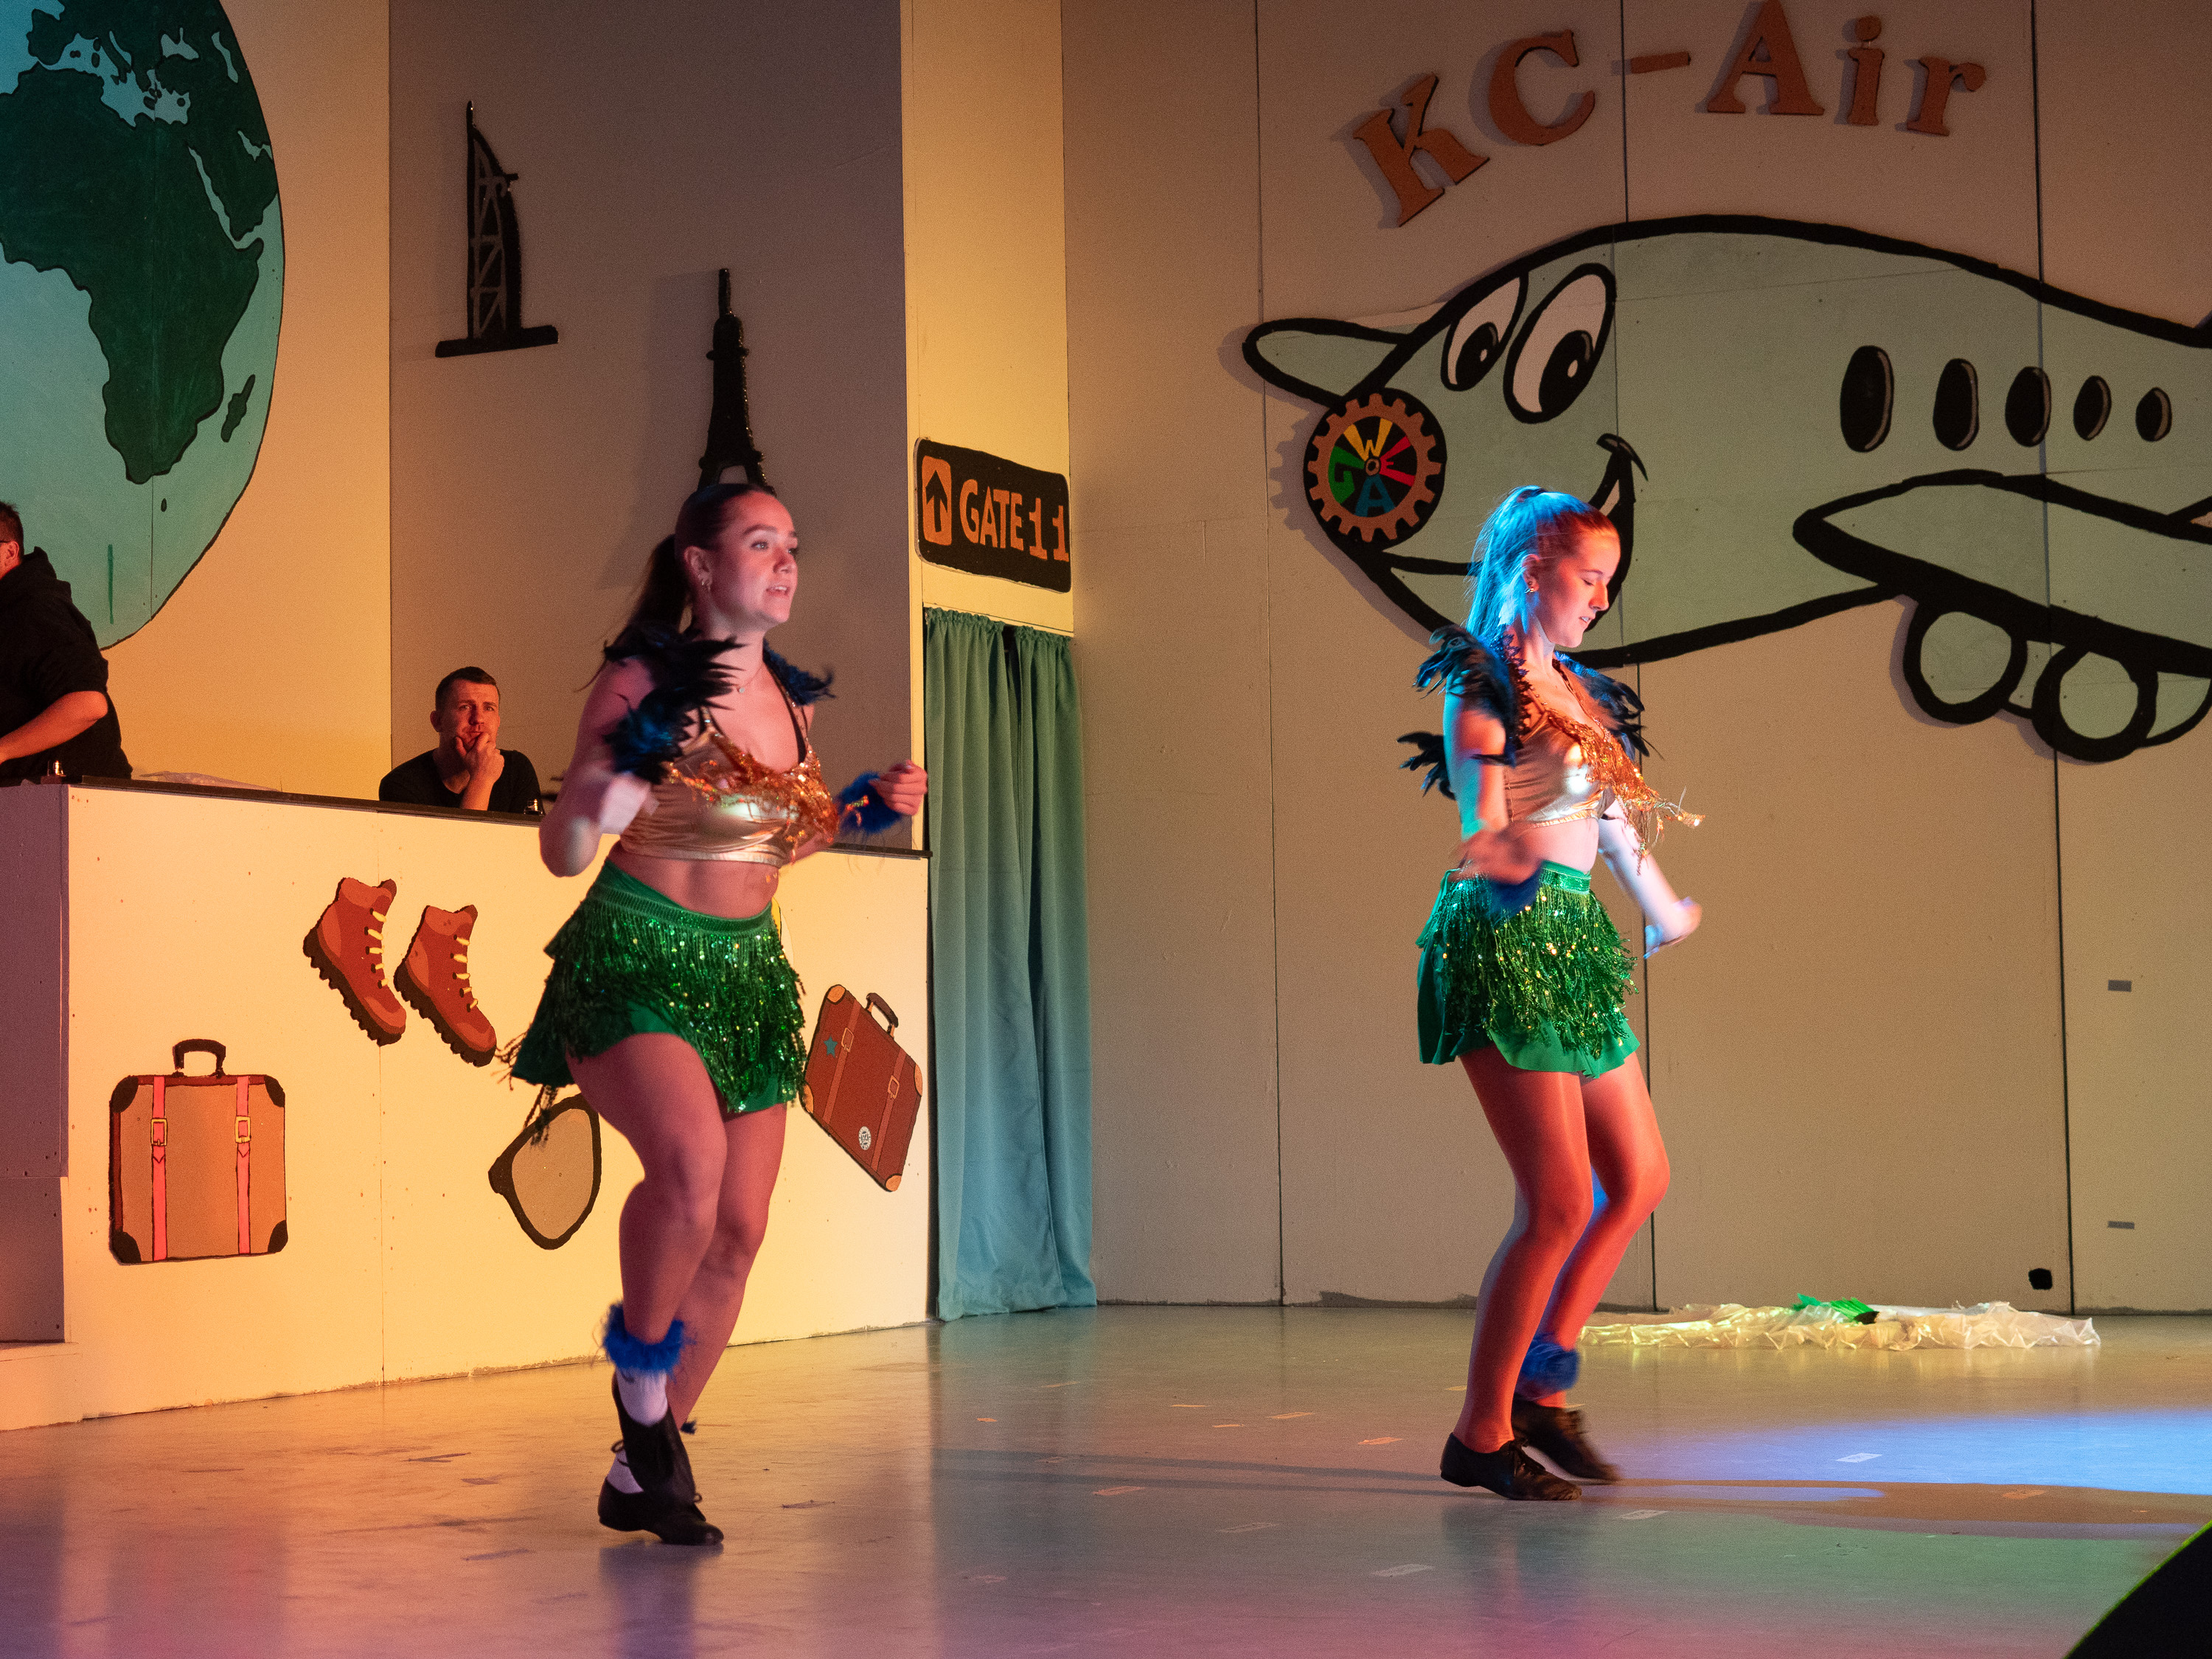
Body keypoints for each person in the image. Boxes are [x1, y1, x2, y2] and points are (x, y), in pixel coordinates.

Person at [511, 482, 925, 1545]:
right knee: (689, 1172)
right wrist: (604, 788)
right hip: (636, 956)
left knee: (738, 1230)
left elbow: (769, 842)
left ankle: (638, 1474)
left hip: (747, 976)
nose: (786, 562)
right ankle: (641, 1390)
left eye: (793, 546)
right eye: (760, 542)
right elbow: (563, 851)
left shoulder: (792, 702)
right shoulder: (640, 684)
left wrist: (857, 810)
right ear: (700, 565)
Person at [1405, 486, 1702, 1502]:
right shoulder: (1482, 682)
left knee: (1640, 1175)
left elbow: (1610, 819)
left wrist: (1661, 907)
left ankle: (1543, 1379)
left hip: (1571, 938)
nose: (1601, 599)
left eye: (1609, 582)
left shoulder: (1576, 688)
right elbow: (1483, 815)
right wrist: (1499, 856)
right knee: (1561, 1199)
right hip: (1505, 935)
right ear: (1535, 571)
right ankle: (1482, 1434)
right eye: (1590, 578)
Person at [0, 502, 131, 785]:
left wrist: (2, 750)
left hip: (73, 799)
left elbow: (88, 703)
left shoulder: (35, 609)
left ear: (10, 552)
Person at [378, 668, 542, 813]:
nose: (478, 719)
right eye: (465, 707)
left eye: (489, 708)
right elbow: (465, 839)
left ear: (498, 722)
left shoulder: (517, 769)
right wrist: (481, 779)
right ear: (437, 721)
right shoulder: (401, 784)